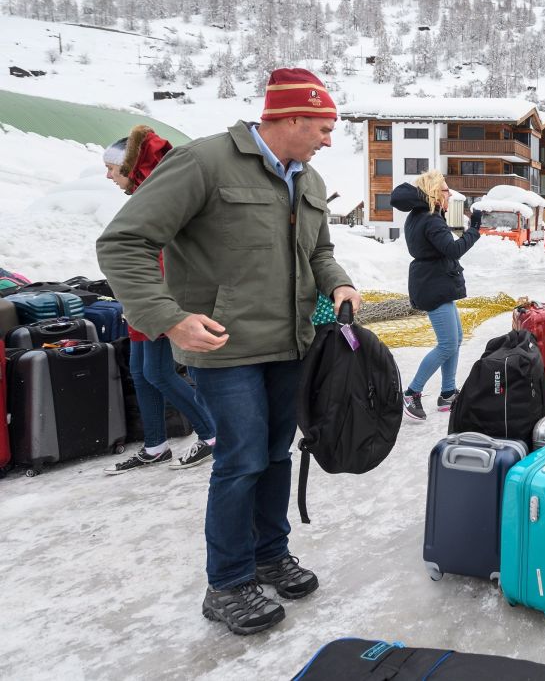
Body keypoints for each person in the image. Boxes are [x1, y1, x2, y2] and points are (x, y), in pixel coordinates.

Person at [97, 68, 362, 637]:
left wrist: (337, 281)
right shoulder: (203, 163)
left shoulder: (308, 179)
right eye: (322, 126)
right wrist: (167, 319)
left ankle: (270, 554)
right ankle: (229, 582)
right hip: (226, 348)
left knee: (275, 454)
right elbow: (123, 243)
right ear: (288, 119)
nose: (328, 138)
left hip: (290, 344)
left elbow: (320, 250)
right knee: (240, 459)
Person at [101, 126, 218, 474]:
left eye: (111, 167)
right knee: (141, 373)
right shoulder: (142, 194)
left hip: (159, 300)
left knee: (158, 372)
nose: (107, 175)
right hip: (142, 303)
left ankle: (211, 434)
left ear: (129, 165)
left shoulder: (155, 193)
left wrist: (157, 305)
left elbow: (163, 255)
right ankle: (155, 445)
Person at [391, 170, 481, 420]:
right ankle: (411, 393)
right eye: (444, 189)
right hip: (433, 285)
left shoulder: (422, 216)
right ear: (433, 193)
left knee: (456, 338)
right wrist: (474, 229)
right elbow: (453, 249)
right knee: (448, 343)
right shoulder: (430, 218)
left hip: (435, 281)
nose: (449, 192)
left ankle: (448, 393)